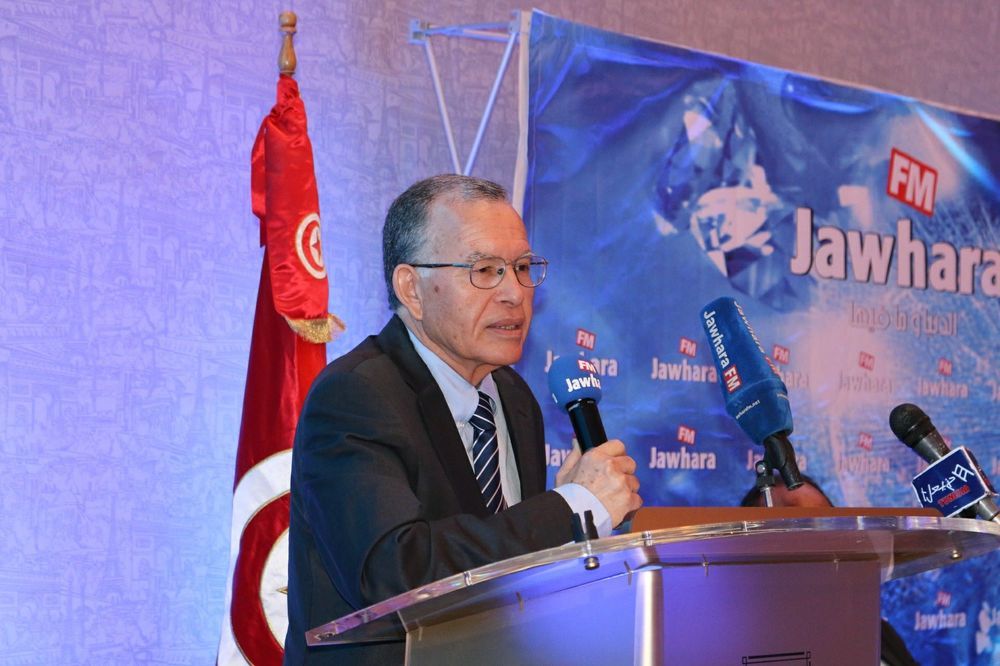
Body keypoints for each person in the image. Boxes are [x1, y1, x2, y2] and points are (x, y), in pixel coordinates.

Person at [283, 175, 642, 664]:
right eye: (485, 270)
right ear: (412, 288)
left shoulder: (513, 397)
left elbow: (508, 570)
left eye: (522, 267)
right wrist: (569, 509)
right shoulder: (357, 395)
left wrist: (571, 534)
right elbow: (394, 576)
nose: (515, 293)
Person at [740, 474, 920, 666]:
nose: (817, 539)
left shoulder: (874, 630)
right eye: (797, 524)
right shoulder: (741, 642)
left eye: (824, 524)